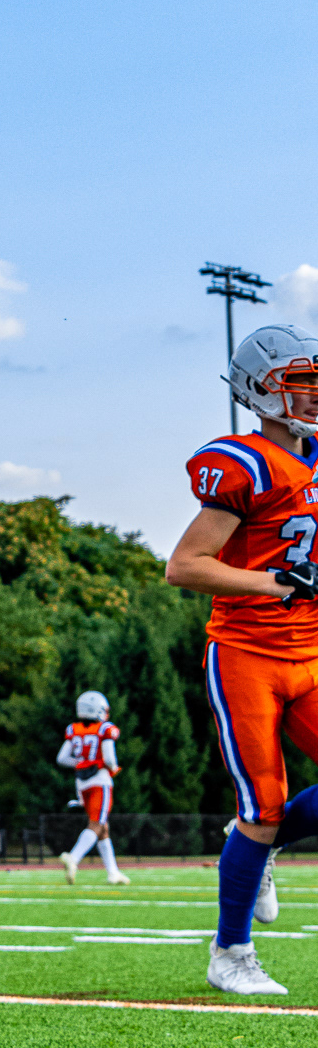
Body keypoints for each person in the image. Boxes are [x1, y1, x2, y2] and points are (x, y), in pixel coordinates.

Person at [164, 323, 318, 996]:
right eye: (297, 384)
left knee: (265, 820)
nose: (310, 398)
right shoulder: (243, 462)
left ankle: (265, 842)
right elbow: (183, 566)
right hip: (246, 652)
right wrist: (273, 581)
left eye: (315, 384)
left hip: (310, 650)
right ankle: (230, 954)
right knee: (261, 805)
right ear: (257, 390)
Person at [54, 692, 129, 886]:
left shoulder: (74, 729)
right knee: (96, 823)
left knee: (102, 827)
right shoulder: (105, 728)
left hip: (81, 782)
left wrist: (81, 762)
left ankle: (113, 873)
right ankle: (74, 857)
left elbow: (62, 758)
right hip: (100, 780)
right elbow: (110, 758)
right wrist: (112, 768)